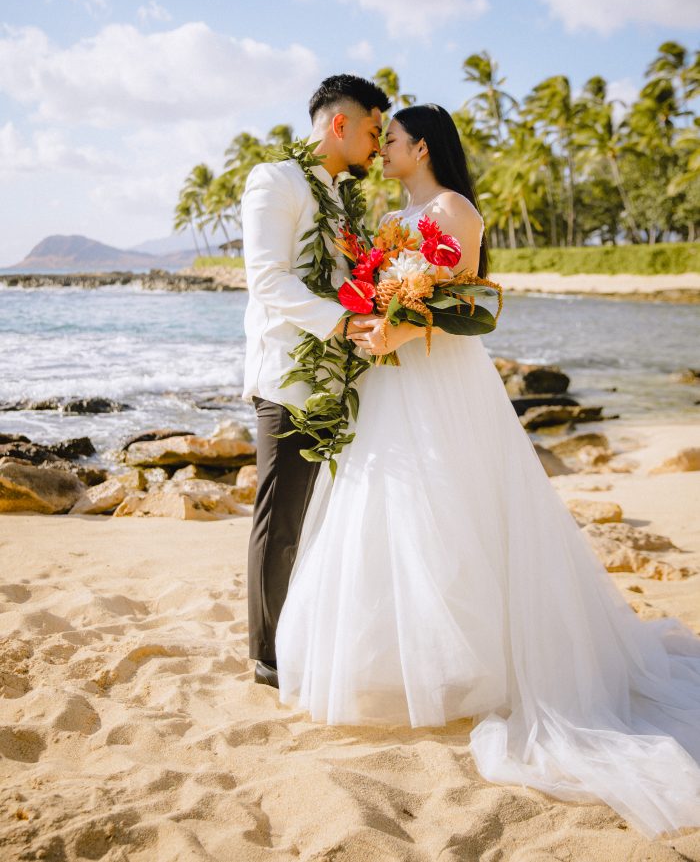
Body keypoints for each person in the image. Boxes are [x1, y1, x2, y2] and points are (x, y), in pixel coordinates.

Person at [274, 103, 700, 838]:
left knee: (457, 505)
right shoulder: (392, 210)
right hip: (393, 377)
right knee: (394, 509)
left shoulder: (455, 209)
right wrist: (374, 322)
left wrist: (394, 329)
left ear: (424, 146)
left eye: (395, 140)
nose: (385, 150)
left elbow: (463, 301)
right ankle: (400, 665)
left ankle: (482, 666)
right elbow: (388, 284)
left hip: (441, 377)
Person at [241, 74, 391, 689]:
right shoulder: (273, 179)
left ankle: (303, 638)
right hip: (289, 379)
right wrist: (347, 322)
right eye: (375, 131)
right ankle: (266, 657)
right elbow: (269, 281)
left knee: (320, 520)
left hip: (336, 379)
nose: (380, 146)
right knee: (280, 522)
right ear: (340, 125)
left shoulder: (343, 196)